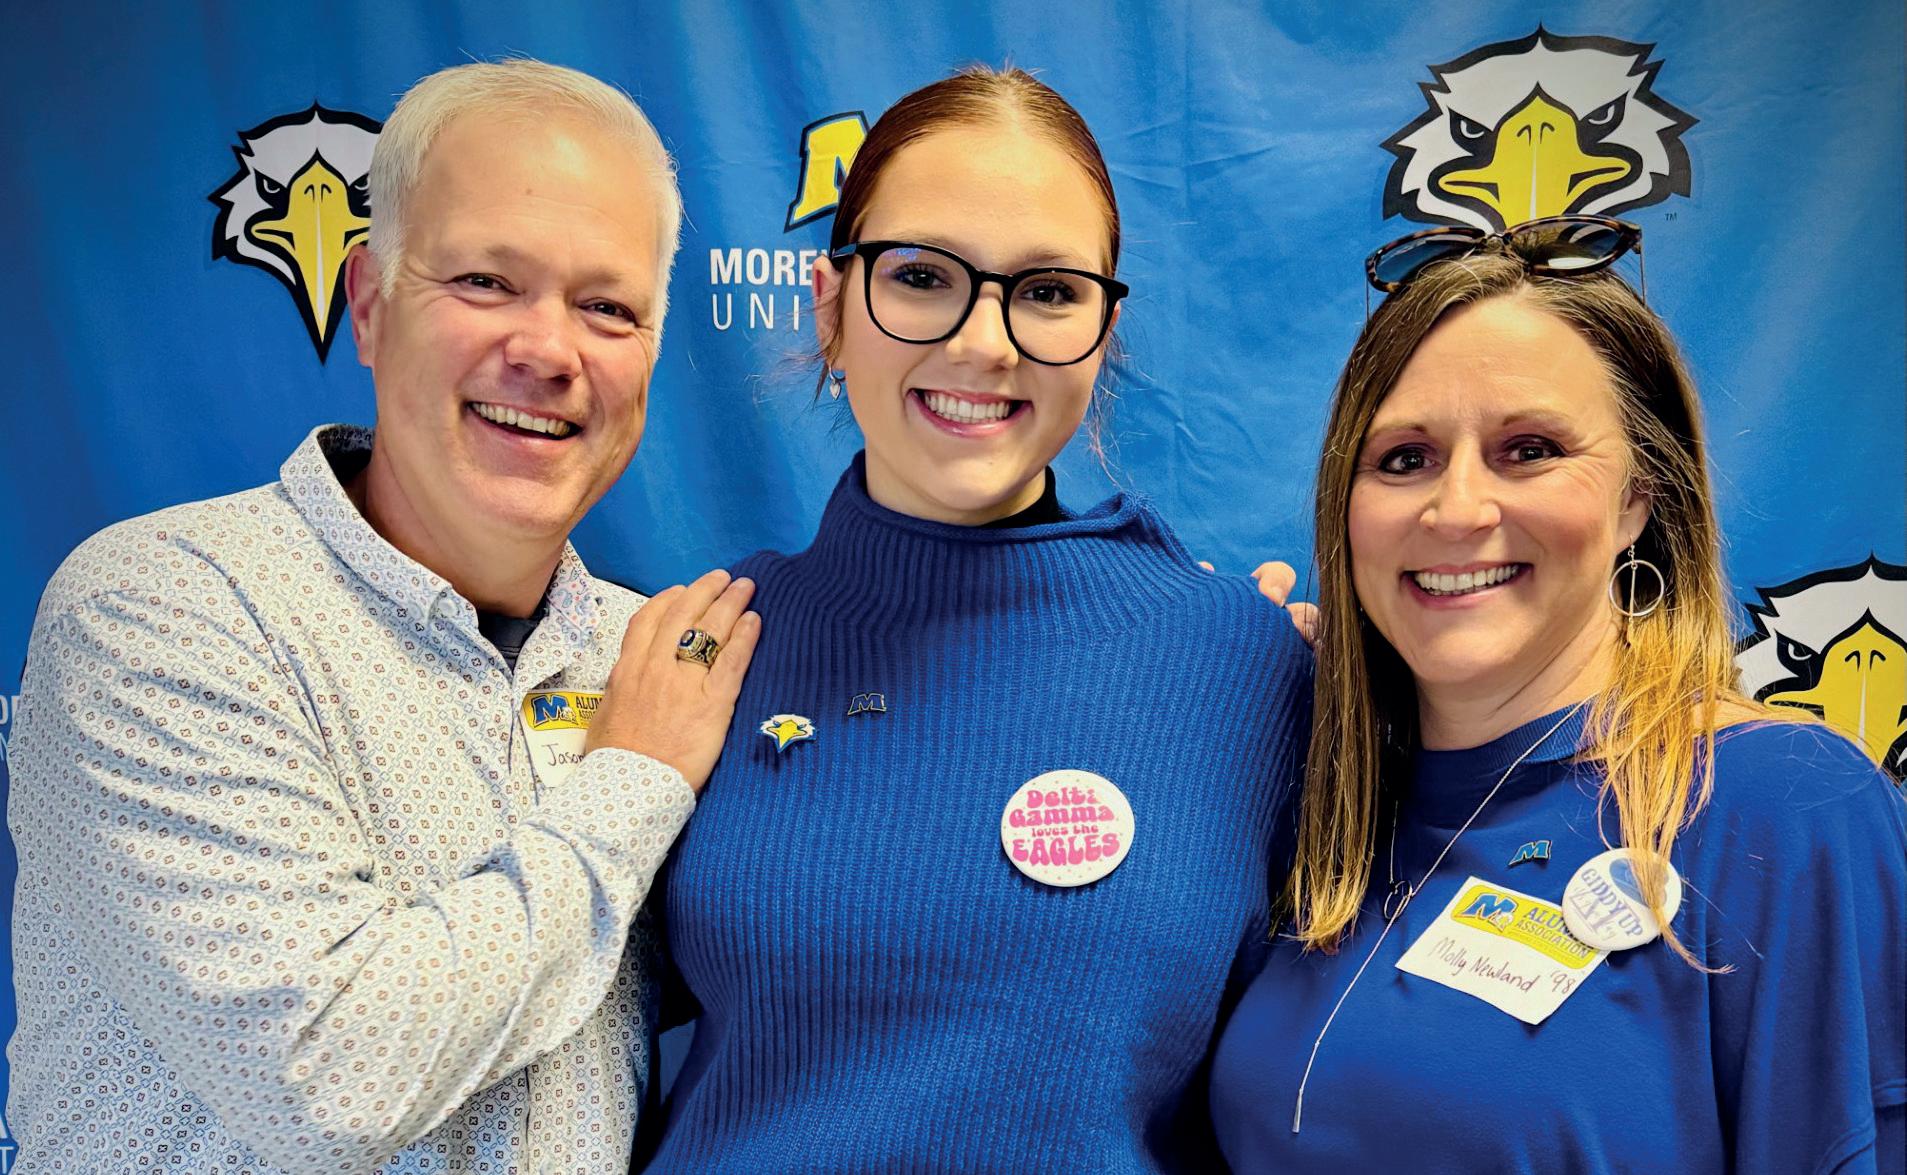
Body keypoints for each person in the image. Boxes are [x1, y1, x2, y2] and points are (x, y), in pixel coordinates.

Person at [6, 60, 758, 1172]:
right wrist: (635, 779)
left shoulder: (651, 654)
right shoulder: (165, 604)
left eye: (607, 307)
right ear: (368, 304)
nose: (549, 351)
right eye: (487, 281)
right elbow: (329, 1077)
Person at [639, 67, 1312, 1172]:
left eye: (1046, 291)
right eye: (920, 276)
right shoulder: (706, 641)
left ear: (1102, 330)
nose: (984, 342)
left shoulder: (1245, 665)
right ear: (828, 304)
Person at [1210, 220, 1906, 1172]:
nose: (1456, 509)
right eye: (1403, 458)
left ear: (1638, 496)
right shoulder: (1312, 807)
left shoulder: (1780, 807)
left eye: (1529, 448)